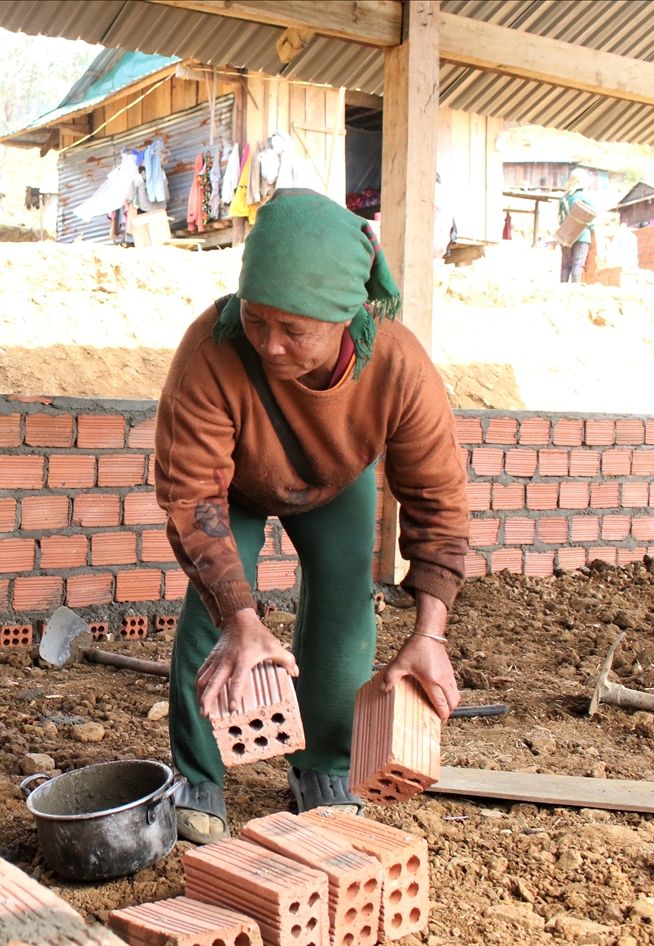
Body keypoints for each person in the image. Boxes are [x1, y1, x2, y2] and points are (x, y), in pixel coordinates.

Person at [154, 189, 470, 842]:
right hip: (233, 483)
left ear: (346, 314)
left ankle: (323, 766)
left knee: (346, 592)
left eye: (294, 329)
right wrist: (241, 617)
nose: (270, 346)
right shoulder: (212, 349)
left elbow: (438, 503)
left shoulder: (398, 368)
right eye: (257, 320)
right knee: (216, 602)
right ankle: (199, 776)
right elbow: (192, 497)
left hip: (335, 478)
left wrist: (429, 631)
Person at [558, 168, 594, 283]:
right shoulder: (585, 197)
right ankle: (575, 288)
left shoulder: (564, 198)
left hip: (566, 234)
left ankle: (562, 286)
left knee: (565, 265)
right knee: (577, 263)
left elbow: (560, 218)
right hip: (582, 234)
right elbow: (592, 216)